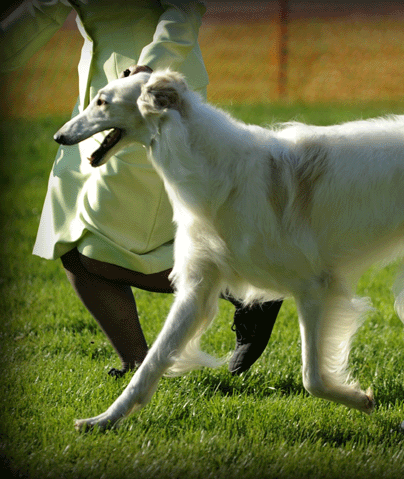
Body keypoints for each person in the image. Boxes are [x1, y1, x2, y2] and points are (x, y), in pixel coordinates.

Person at [0, 0, 280, 377]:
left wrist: (150, 65)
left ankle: (243, 287)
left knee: (102, 251)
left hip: (151, 107)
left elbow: (185, 9)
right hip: (98, 104)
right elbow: (42, 8)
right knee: (67, 239)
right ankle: (136, 363)